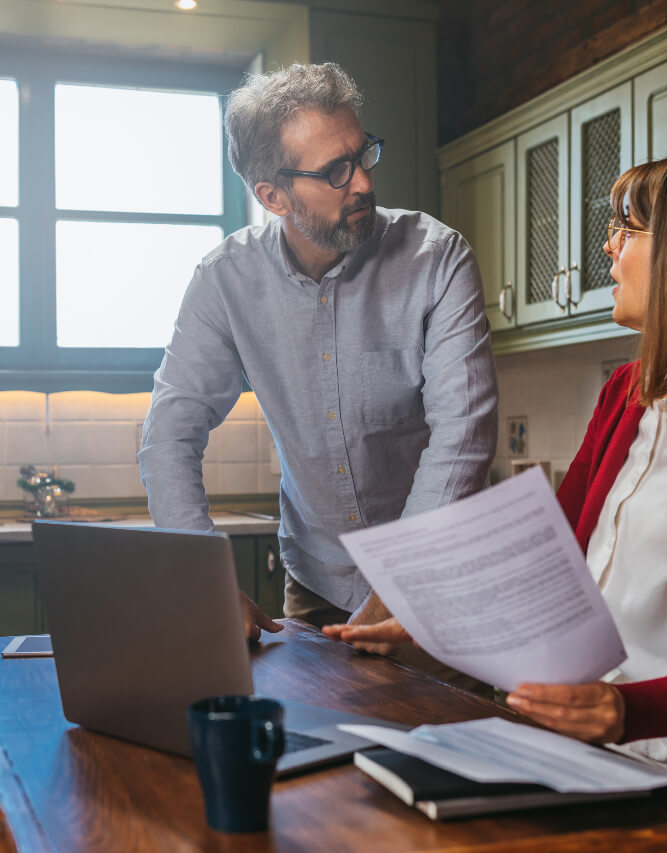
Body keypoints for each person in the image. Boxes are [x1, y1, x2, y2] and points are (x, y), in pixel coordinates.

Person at [326, 148, 667, 851]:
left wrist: (622, 710)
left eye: (629, 227)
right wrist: (429, 611)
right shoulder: (624, 394)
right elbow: (546, 565)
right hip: (588, 763)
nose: (608, 245)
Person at [139, 63, 497, 650]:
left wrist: (400, 583)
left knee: (439, 740)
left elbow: (464, 433)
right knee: (320, 741)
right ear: (273, 196)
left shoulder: (438, 259)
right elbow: (168, 437)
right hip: (316, 586)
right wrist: (203, 584)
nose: (361, 183)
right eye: (334, 171)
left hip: (438, 585)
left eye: (362, 156)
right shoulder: (225, 280)